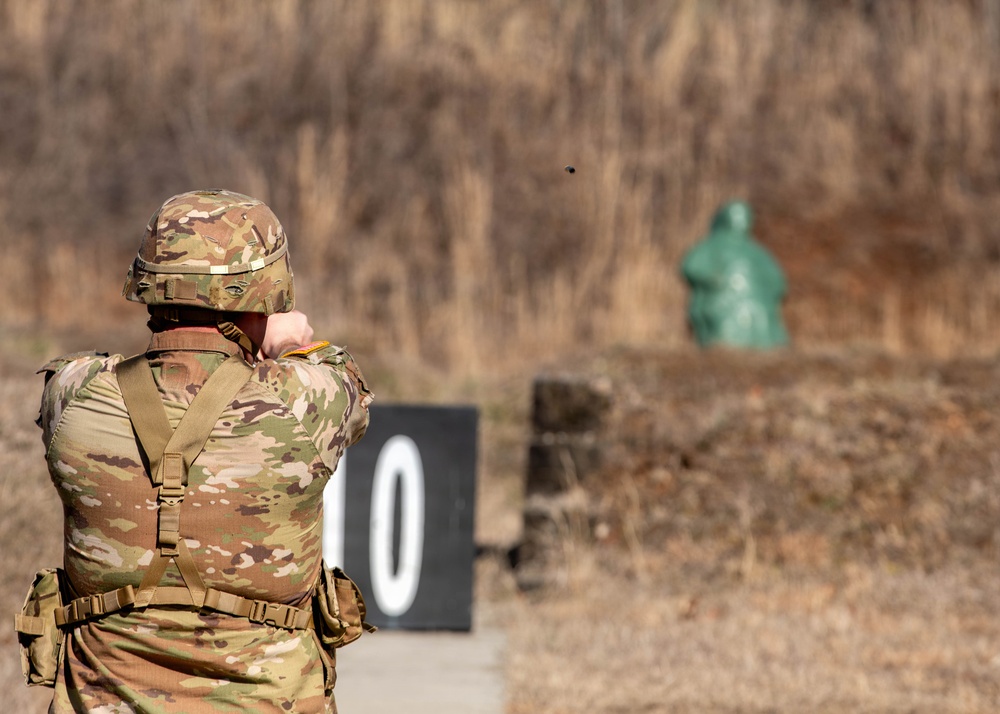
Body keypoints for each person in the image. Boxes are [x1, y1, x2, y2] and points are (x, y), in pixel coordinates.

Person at [34, 189, 373, 713]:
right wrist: (291, 342)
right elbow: (349, 388)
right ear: (266, 291)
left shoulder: (74, 393)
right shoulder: (304, 401)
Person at [681, 200, 789, 349]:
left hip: (758, 307)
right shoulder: (712, 245)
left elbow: (777, 281)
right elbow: (691, 267)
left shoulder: (757, 251)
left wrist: (766, 291)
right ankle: (724, 350)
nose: (742, 222)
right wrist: (713, 279)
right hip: (723, 303)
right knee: (725, 326)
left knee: (763, 319)